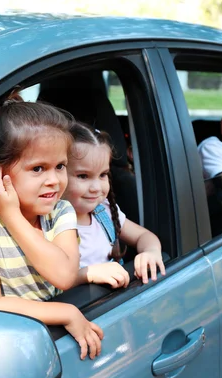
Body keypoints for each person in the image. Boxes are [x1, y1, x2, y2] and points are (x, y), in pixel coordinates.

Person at [0, 90, 103, 360]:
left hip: (42, 343)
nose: (54, 180)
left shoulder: (60, 211)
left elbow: (63, 275)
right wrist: (11, 215)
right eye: (38, 168)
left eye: (60, 166)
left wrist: (88, 274)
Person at [64, 122, 166, 289]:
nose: (96, 187)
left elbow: (144, 236)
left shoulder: (103, 211)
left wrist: (150, 252)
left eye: (103, 174)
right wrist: (87, 274)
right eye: (83, 176)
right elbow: (53, 282)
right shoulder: (50, 224)